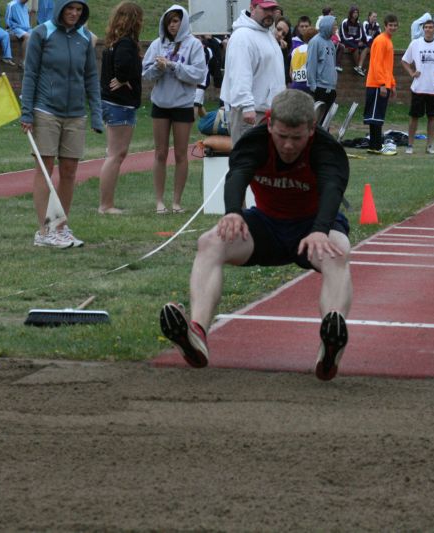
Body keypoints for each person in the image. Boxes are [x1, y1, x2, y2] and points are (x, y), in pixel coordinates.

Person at [159, 88, 352, 382]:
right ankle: (196, 332)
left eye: (297, 138)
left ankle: (331, 338)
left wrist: (320, 230)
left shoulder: (327, 150)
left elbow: (332, 189)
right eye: (282, 135)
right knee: (210, 242)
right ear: (270, 124)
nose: (288, 146)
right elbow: (237, 174)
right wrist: (233, 212)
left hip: (311, 227)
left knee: (339, 248)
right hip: (267, 226)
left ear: (312, 129)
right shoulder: (255, 141)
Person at [20, 0, 103, 248]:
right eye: (70, 9)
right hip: (45, 110)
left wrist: (96, 114)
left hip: (75, 114)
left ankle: (61, 226)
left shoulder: (85, 37)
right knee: (45, 170)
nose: (74, 14)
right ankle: (45, 231)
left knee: (69, 172)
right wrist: (27, 112)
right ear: (60, 9)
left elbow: (90, 76)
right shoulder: (41, 33)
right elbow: (30, 73)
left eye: (78, 10)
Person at [142, 5, 207, 215]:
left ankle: (177, 201)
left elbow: (198, 74)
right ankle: (159, 201)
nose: (172, 25)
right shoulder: (156, 45)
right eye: (169, 21)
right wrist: (158, 68)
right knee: (160, 153)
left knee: (181, 154)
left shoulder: (194, 45)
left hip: (183, 104)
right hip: (160, 104)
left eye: (176, 21)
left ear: (184, 22)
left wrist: (173, 66)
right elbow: (146, 75)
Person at [98, 1, 142, 216]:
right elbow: (123, 66)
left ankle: (106, 203)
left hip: (111, 102)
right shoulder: (126, 43)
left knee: (114, 154)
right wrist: (124, 79)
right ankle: (105, 205)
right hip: (119, 103)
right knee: (115, 155)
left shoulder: (114, 42)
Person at [220, 0, 285, 146]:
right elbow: (240, 75)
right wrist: (247, 107)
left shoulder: (267, 34)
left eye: (272, 9)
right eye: (265, 9)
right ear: (252, 8)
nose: (270, 14)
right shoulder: (242, 37)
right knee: (248, 163)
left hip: (267, 111)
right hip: (250, 113)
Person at [401, 18, 434, 155]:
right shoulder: (415, 44)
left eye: (430, 27)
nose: (428, 30)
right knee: (414, 116)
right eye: (426, 27)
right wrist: (412, 73)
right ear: (423, 29)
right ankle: (410, 145)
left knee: (432, 117)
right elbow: (404, 61)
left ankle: (430, 146)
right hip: (418, 87)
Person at [363, 13, 398, 155]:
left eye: (395, 25)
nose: (393, 28)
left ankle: (375, 145)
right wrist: (383, 84)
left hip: (384, 84)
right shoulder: (380, 40)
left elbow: (387, 66)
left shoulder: (389, 41)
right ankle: (376, 146)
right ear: (385, 25)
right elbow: (376, 64)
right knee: (375, 117)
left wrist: (392, 84)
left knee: (377, 116)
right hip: (377, 84)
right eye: (390, 25)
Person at [306, 14, 338, 126]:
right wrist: (313, 85)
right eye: (334, 25)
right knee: (317, 121)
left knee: (326, 122)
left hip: (331, 88)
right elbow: (311, 64)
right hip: (319, 88)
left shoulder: (331, 43)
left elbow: (332, 64)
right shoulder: (315, 42)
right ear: (327, 26)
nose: (336, 27)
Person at [339, 5, 367, 76]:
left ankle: (359, 67)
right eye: (354, 12)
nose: (355, 14)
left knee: (366, 47)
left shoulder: (358, 23)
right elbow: (344, 36)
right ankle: (358, 67)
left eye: (357, 12)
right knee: (356, 48)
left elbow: (361, 35)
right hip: (346, 41)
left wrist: (359, 41)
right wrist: (355, 41)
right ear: (351, 13)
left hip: (355, 42)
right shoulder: (345, 22)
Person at [289, 25, 317, 92]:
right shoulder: (315, 50)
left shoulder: (295, 50)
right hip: (310, 86)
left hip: (295, 85)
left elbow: (291, 71)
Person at [5, 0, 32, 66]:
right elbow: (7, 21)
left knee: (39, 35)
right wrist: (17, 26)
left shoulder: (26, 6)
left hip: (26, 29)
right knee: (28, 37)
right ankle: (23, 62)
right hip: (14, 29)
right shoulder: (12, 5)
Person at [275, 17, 293, 84]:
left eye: (283, 34)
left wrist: (284, 51)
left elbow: (285, 70)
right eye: (278, 29)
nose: (280, 34)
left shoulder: (284, 48)